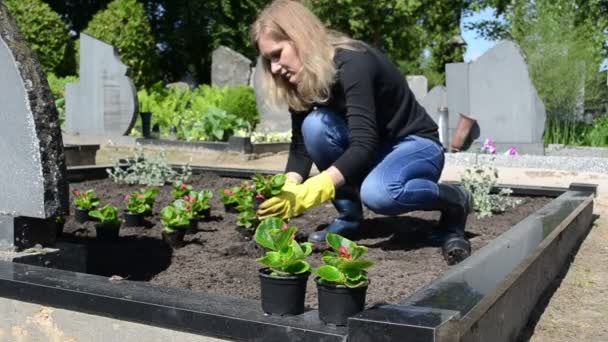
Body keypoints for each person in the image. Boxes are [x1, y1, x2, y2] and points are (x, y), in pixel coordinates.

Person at [251, 0, 472, 265]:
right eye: (268, 60)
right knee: (314, 125)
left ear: (300, 38)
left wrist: (314, 190)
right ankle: (350, 219)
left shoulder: (354, 63)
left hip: (414, 145)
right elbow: (301, 146)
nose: (274, 68)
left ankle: (456, 199)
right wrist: (288, 189)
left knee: (380, 193)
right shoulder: (301, 79)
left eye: (277, 54)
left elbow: (363, 144)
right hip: (374, 150)